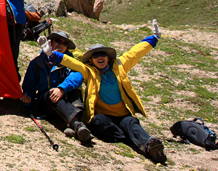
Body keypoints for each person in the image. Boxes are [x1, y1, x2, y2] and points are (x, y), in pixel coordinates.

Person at [38, 22, 167, 163]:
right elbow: (72, 63)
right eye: (96, 55)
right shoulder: (90, 72)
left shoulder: (119, 66)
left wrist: (154, 38)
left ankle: (149, 145)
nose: (100, 57)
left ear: (107, 57)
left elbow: (136, 52)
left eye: (102, 54)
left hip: (123, 114)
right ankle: (129, 137)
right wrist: (51, 54)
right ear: (92, 60)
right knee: (98, 123)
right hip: (103, 115)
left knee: (131, 123)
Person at [21, 31, 92, 143]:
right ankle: (77, 124)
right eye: (57, 41)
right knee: (52, 93)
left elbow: (77, 77)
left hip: (66, 101)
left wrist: (62, 88)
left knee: (73, 90)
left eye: (64, 43)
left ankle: (74, 126)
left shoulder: (70, 62)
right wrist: (27, 99)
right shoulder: (37, 63)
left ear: (67, 47)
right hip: (46, 103)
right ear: (50, 42)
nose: (60, 45)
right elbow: (29, 85)